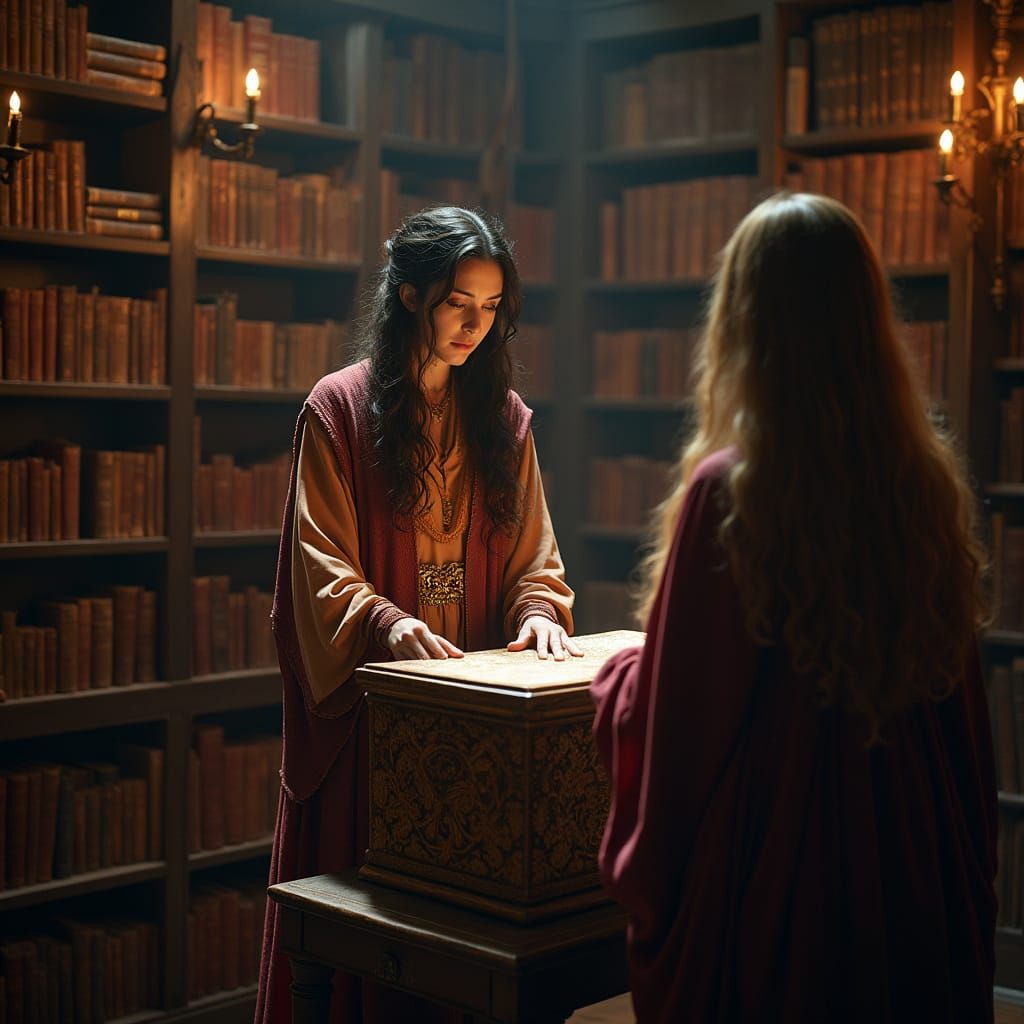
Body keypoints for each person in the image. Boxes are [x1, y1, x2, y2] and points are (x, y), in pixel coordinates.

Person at [590, 192, 997, 1023]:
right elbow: (967, 727)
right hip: (909, 857)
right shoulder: (919, 483)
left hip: (777, 871)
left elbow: (683, 735)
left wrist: (622, 676)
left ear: (743, 324)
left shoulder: (733, 489)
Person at [256, 206, 581, 1024]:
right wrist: (386, 622)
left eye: (492, 306)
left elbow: (536, 555)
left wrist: (539, 609)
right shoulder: (338, 408)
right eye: (458, 302)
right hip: (375, 715)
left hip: (470, 722)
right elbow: (318, 565)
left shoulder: (504, 419)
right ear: (410, 293)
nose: (477, 324)